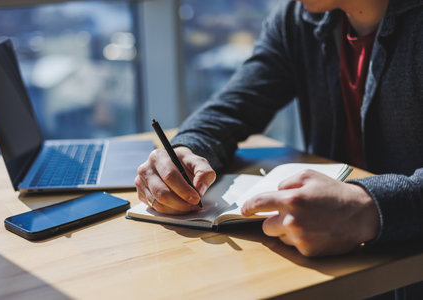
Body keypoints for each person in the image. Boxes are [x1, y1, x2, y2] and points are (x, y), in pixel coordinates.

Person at [135, 0, 422, 294]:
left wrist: (369, 208)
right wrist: (187, 150)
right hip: (331, 270)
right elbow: (233, 106)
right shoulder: (298, 18)